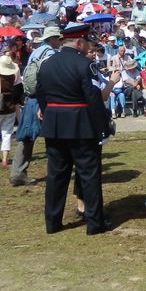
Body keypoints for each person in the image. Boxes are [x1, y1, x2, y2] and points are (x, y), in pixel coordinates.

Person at [36, 23, 111, 235]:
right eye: (86, 42)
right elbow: (93, 98)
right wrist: (102, 128)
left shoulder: (47, 64)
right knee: (89, 174)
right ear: (79, 42)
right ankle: (95, 222)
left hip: (55, 124)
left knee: (56, 176)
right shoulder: (85, 65)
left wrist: (47, 112)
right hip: (81, 125)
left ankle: (53, 222)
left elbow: (40, 92)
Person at [10, 25, 61, 186]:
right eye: (58, 38)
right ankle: (55, 171)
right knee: (53, 136)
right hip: (42, 98)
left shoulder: (36, 52)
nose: (59, 41)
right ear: (52, 39)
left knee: (27, 137)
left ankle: (18, 172)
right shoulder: (50, 54)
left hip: (32, 97)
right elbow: (48, 77)